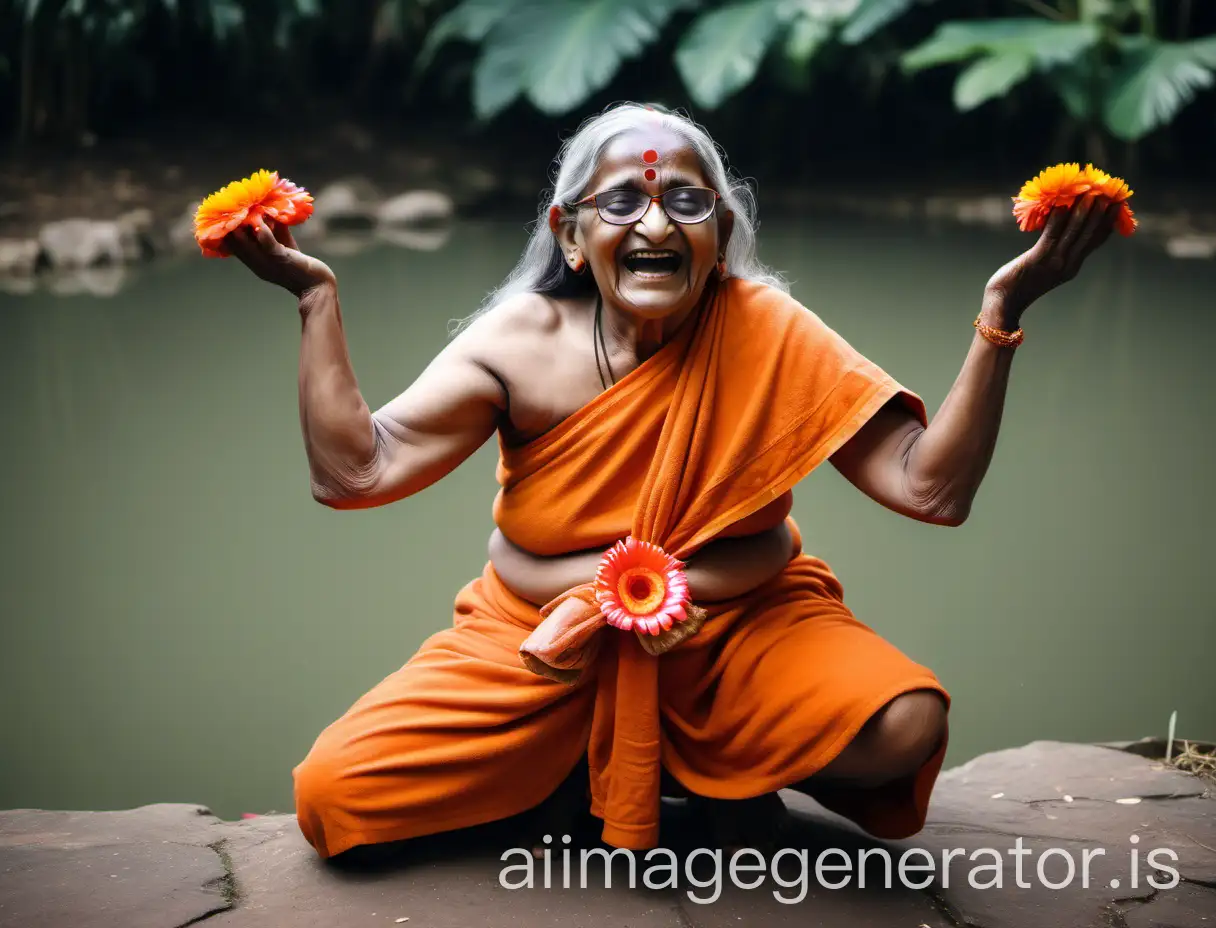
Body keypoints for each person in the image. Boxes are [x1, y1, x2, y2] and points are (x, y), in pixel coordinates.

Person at [224, 102, 1124, 861]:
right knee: (332, 794)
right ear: (571, 237)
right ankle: (598, 766)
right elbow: (356, 472)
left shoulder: (766, 327)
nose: (655, 225)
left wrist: (1001, 316)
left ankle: (694, 765)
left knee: (908, 726)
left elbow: (930, 489)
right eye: (621, 203)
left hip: (737, 628)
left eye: (686, 202)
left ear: (720, 236)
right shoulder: (518, 343)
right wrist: (315, 301)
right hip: (544, 636)